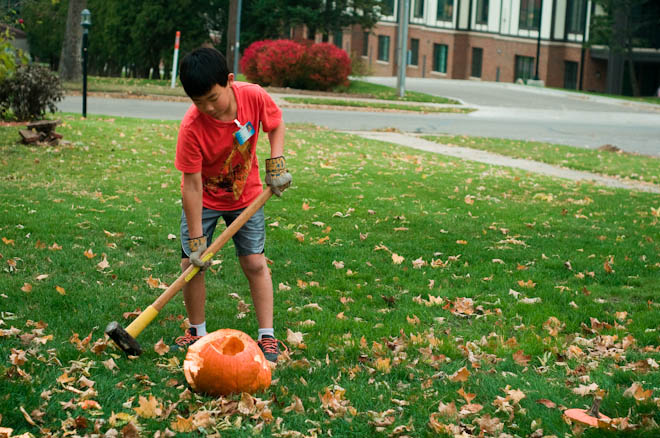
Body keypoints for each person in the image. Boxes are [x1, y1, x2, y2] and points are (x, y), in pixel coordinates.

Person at [171, 47, 291, 363]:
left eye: (213, 98)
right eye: (199, 102)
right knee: (190, 267)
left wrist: (275, 162)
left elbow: (275, 123)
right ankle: (196, 332)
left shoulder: (253, 96)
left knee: (254, 263)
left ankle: (267, 335)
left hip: (247, 196)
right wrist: (197, 240)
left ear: (229, 81)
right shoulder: (192, 127)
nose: (208, 108)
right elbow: (192, 185)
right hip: (205, 201)